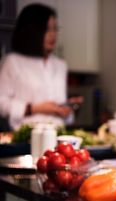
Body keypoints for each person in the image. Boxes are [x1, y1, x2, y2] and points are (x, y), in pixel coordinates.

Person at [0, 3, 81, 131]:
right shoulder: (13, 62)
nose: (53, 35)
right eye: (47, 29)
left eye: (55, 29)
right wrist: (34, 108)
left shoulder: (60, 65)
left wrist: (66, 108)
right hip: (25, 137)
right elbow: (1, 102)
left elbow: (60, 108)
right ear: (32, 31)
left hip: (58, 136)